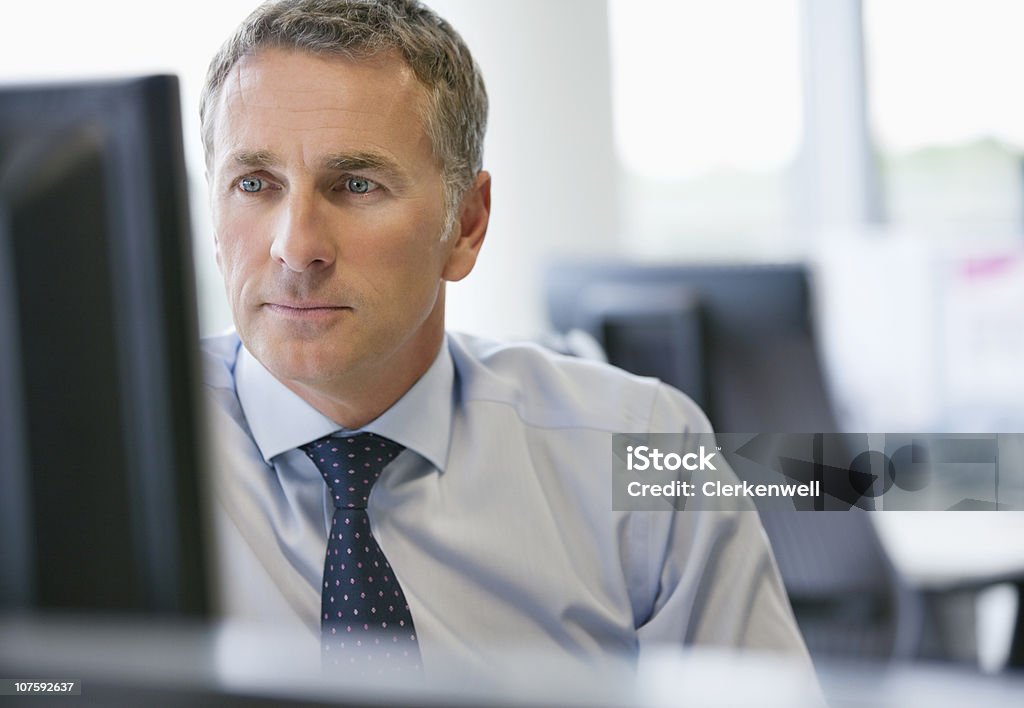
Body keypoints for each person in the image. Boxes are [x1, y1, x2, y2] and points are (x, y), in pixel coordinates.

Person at [200, 0, 809, 674]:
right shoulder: (103, 451)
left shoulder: (645, 445)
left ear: (465, 226)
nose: (297, 247)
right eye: (254, 184)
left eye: (356, 184)